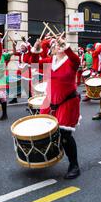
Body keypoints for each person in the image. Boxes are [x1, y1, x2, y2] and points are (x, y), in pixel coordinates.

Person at [30, 38, 81, 179]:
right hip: (49, 101)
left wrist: (67, 48)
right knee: (44, 130)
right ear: (52, 48)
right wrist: (36, 48)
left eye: (60, 45)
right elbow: (33, 64)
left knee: (65, 135)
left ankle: (74, 165)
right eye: (55, 45)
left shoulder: (71, 61)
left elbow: (77, 60)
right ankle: (45, 156)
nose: (57, 46)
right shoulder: (48, 62)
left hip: (67, 102)